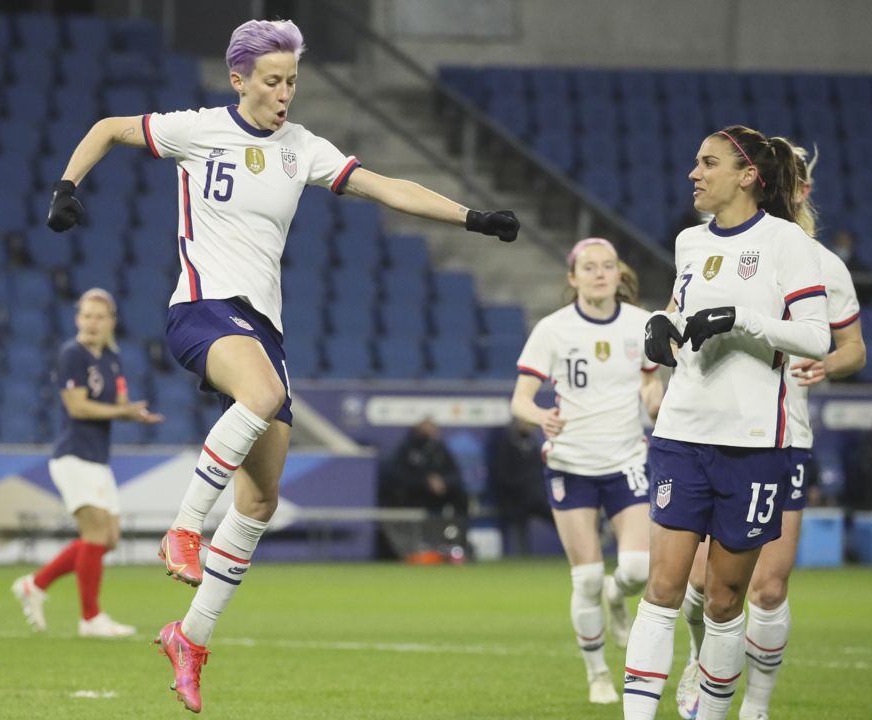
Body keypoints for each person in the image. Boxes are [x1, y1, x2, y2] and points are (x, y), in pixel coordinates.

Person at [44, 19, 519, 712]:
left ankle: (190, 636)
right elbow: (110, 126)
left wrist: (471, 218)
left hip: (263, 328)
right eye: (272, 81)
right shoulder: (199, 129)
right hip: (203, 309)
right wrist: (66, 185)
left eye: (292, 81)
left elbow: (388, 188)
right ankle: (182, 528)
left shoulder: (304, 149)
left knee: (261, 500)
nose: (284, 93)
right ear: (239, 80)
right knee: (261, 394)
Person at [623, 125, 830, 720]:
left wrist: (745, 319)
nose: (695, 173)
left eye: (707, 162)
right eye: (695, 162)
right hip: (683, 432)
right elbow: (679, 310)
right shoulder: (689, 241)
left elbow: (817, 337)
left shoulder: (787, 243)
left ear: (747, 176)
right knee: (661, 590)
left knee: (723, 598)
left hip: (751, 444)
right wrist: (659, 325)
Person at [674, 141, 867, 719]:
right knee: (703, 583)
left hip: (787, 435)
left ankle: (755, 707)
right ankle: (700, 656)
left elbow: (852, 347)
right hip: (713, 431)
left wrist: (827, 363)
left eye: (799, 180)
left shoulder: (820, 263)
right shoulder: (711, 243)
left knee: (770, 585)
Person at [509, 238, 664, 705]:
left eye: (609, 266)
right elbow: (519, 400)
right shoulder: (553, 330)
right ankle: (598, 673)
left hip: (625, 461)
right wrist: (540, 417)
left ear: (620, 275)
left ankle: (619, 597)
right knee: (587, 578)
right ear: (573, 278)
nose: (600, 273)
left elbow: (649, 379)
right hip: (570, 463)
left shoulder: (642, 325)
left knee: (636, 569)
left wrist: (653, 397)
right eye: (590, 267)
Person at [11, 289, 164, 638]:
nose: (92, 323)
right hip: (74, 455)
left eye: (99, 317)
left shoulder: (111, 358)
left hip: (96, 458)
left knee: (108, 538)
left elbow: (120, 401)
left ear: (111, 322)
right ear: (77, 318)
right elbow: (77, 407)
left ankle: (35, 584)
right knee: (95, 534)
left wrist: (135, 414)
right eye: (86, 316)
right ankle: (90, 618)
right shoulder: (71, 355)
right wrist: (121, 411)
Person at [484, 418, 550, 557]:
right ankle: (519, 557)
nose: (528, 427)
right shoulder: (506, 443)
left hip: (535, 497)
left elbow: (539, 470)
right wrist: (521, 487)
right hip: (513, 498)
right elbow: (502, 474)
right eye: (525, 423)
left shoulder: (533, 443)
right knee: (517, 524)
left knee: (558, 515)